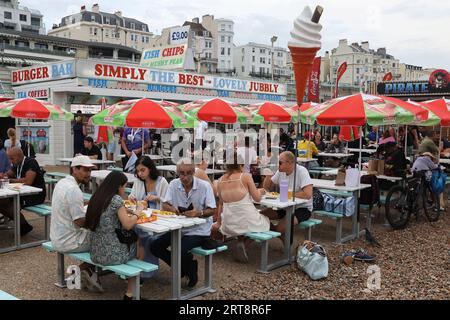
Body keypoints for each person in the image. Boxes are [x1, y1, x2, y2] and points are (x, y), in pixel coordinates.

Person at [151, 158, 216, 288]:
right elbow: (165, 204)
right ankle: (185, 268)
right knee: (154, 245)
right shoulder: (174, 184)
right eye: (181, 173)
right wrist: (171, 208)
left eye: (188, 173)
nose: (185, 177)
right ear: (177, 173)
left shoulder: (204, 186)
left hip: (199, 229)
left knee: (179, 249)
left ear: (193, 172)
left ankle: (187, 269)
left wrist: (199, 213)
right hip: (179, 227)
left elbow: (213, 210)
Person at [84, 171, 143, 300]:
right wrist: (138, 212)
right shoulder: (116, 199)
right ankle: (131, 292)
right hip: (111, 254)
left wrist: (124, 209)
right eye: (124, 186)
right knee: (139, 244)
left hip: (95, 251)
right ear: (118, 186)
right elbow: (127, 225)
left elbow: (109, 212)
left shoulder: (97, 196)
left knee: (131, 241)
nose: (125, 189)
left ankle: (133, 288)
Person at [49, 155, 103, 291]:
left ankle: (87, 271)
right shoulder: (74, 190)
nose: (88, 175)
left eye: (89, 171)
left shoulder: (62, 183)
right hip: (69, 241)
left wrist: (88, 203)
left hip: (57, 236)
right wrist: (98, 217)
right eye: (85, 170)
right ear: (74, 170)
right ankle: (81, 270)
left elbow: (70, 205)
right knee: (106, 238)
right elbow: (80, 222)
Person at [216, 155, 269, 262]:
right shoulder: (245, 177)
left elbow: (220, 204)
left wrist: (218, 222)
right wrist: (261, 191)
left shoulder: (220, 180)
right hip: (246, 220)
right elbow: (257, 199)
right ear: (240, 165)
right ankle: (245, 243)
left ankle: (241, 241)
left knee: (244, 220)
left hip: (228, 224)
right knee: (266, 221)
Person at [128, 156, 168, 277]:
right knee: (131, 231)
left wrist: (157, 198)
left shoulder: (162, 182)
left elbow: (168, 203)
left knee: (147, 236)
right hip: (142, 218)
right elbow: (132, 196)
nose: (140, 174)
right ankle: (135, 267)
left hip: (159, 220)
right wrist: (132, 198)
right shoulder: (138, 181)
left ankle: (145, 271)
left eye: (143, 170)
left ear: (150, 169)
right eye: (138, 171)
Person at [262, 151, 313, 244]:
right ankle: (283, 237)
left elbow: (308, 194)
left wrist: (288, 194)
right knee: (260, 216)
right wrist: (268, 175)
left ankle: (283, 239)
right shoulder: (280, 171)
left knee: (279, 228)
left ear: (289, 163)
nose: (277, 165)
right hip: (284, 206)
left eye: (279, 162)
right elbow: (266, 187)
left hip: (302, 208)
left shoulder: (301, 171)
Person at [0, 147, 46, 236]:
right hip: (22, 193)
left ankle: (23, 225)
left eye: (12, 158)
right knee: (2, 201)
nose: (10, 161)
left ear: (19, 156)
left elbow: (28, 181)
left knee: (6, 202)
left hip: (35, 195)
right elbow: (8, 174)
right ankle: (23, 224)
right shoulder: (17, 164)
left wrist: (9, 180)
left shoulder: (31, 162)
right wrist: (3, 176)